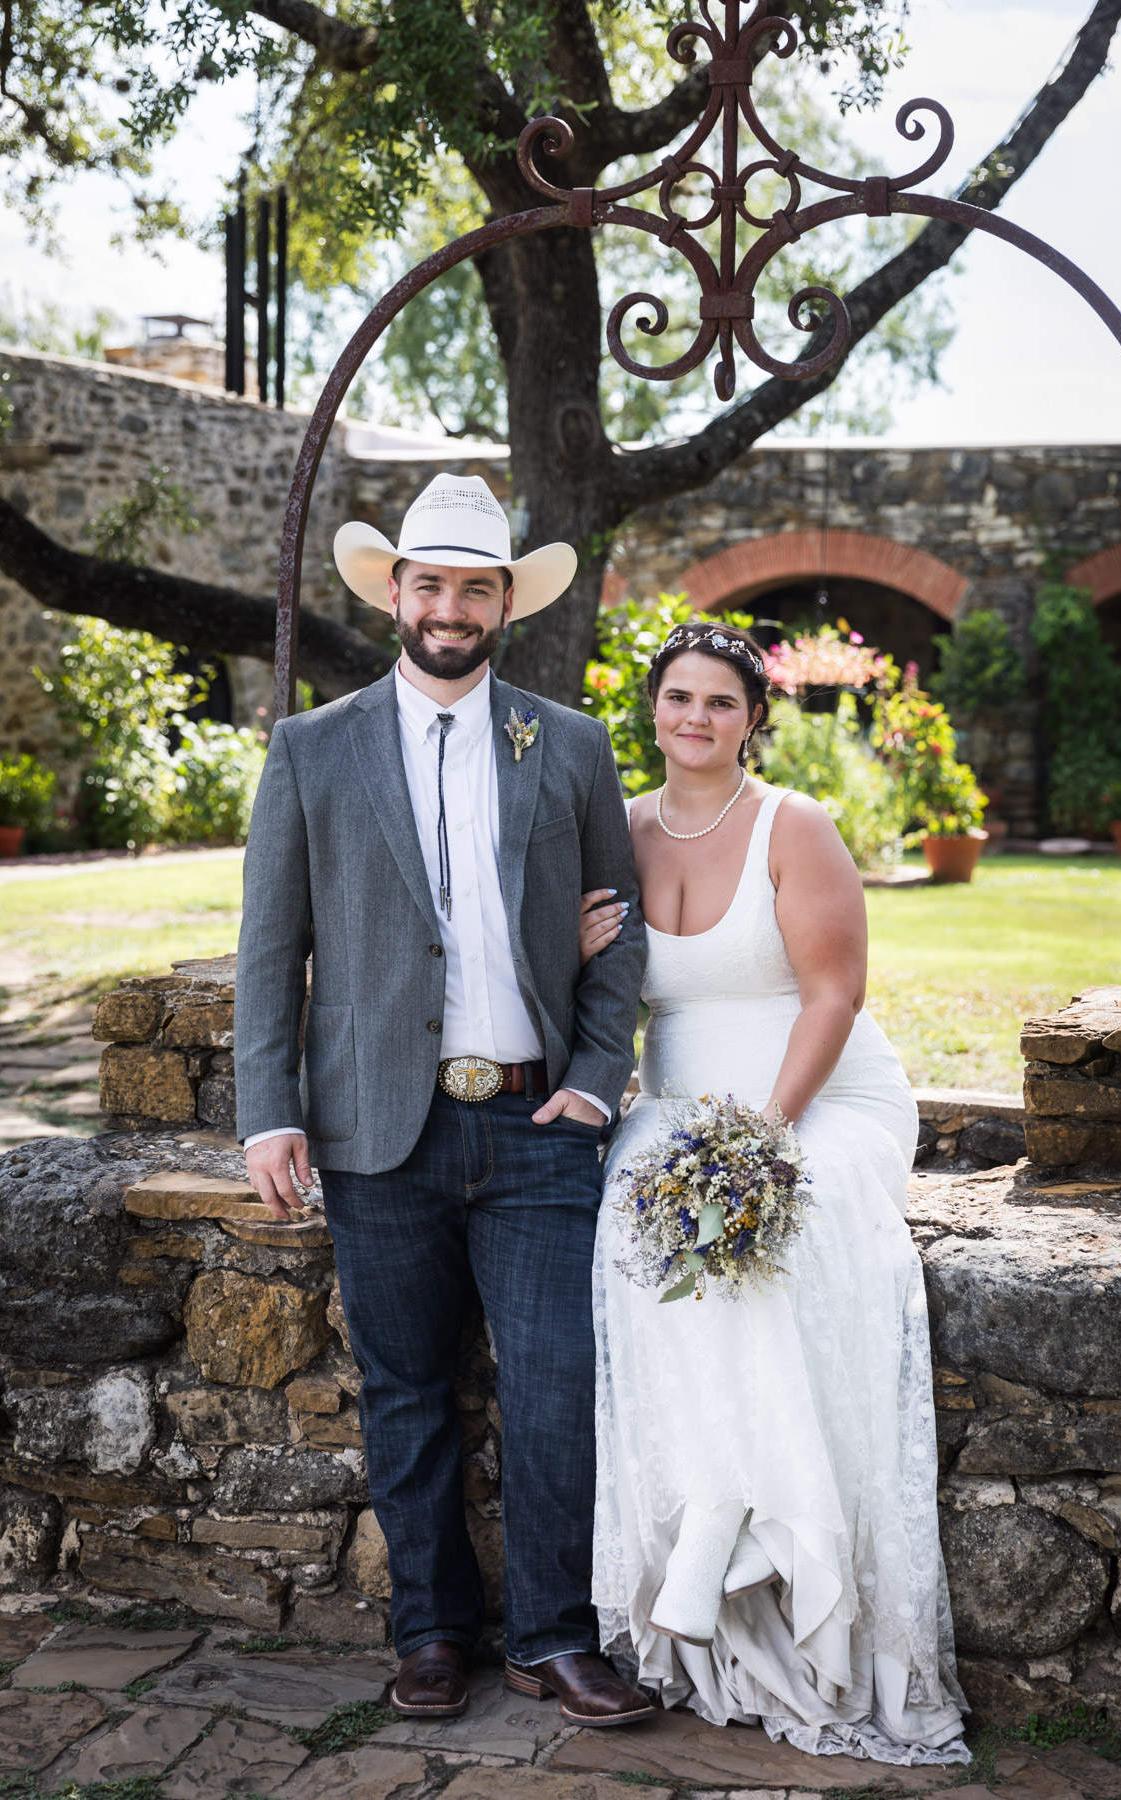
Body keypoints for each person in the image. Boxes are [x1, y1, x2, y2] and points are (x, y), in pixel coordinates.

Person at [235, 474, 654, 1728]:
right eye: (432, 583)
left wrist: (591, 1085)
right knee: (408, 1392)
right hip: (376, 1131)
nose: (452, 605)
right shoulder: (314, 747)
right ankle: (430, 1636)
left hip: (536, 1130)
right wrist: (269, 1110)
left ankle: (553, 1639)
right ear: (397, 594)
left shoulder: (567, 744)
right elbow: (270, 948)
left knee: (551, 1386)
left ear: (505, 603)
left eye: (477, 586)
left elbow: (618, 938)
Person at [580, 620, 969, 1766]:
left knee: (778, 1238)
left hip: (819, 1097)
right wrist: (569, 940)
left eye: (720, 703)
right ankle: (713, 1509)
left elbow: (834, 995)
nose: (695, 719)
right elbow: (600, 995)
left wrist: (764, 1143)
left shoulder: (793, 825)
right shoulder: (621, 831)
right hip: (683, 1106)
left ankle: (745, 1539)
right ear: (651, 710)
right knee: (632, 1237)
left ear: (754, 720)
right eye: (677, 699)